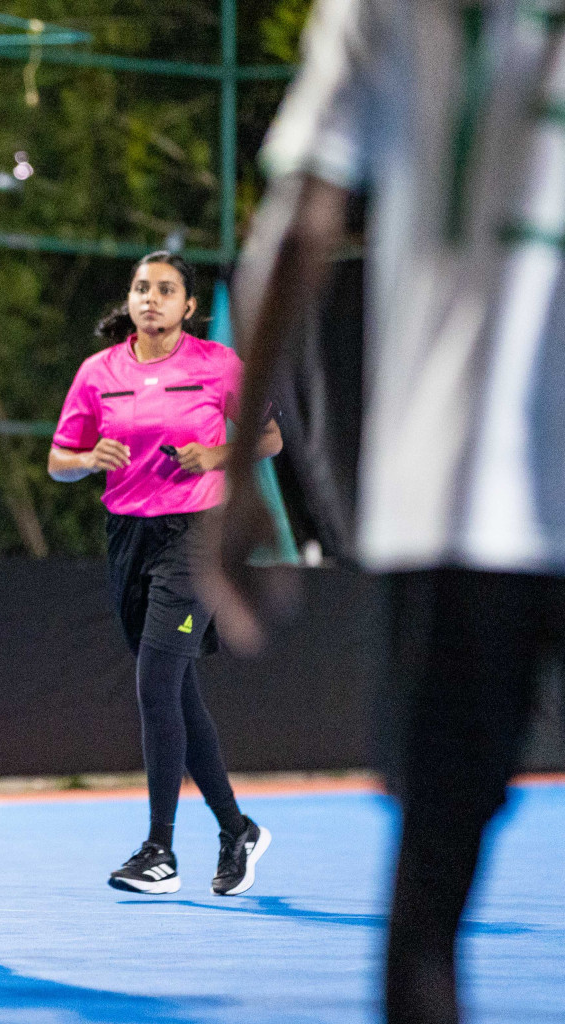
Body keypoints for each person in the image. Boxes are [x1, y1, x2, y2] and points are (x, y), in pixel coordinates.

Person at [199, 1, 565, 1020]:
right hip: (466, 495)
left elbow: (302, 217)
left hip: (464, 493)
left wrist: (237, 472)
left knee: (428, 912)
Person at [47, 251, 282, 896]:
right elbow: (56, 461)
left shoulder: (215, 364)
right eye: (141, 288)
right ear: (129, 300)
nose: (151, 297)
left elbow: (268, 439)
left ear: (188, 307)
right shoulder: (100, 372)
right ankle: (236, 829)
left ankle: (160, 850)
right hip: (128, 537)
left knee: (156, 678)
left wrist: (213, 453)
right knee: (175, 691)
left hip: (196, 536)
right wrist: (88, 455)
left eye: (166, 289)